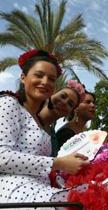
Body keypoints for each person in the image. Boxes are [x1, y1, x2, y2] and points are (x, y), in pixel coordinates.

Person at [0, 49, 89, 205]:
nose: (45, 82)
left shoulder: (41, 124)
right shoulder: (9, 103)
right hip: (14, 193)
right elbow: (2, 157)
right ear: (23, 77)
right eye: (39, 75)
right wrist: (59, 163)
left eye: (51, 79)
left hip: (42, 190)